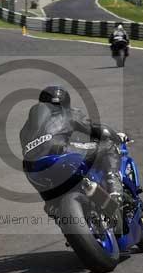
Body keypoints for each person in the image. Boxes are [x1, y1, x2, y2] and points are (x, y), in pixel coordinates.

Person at [19, 86, 125, 223]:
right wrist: (115, 135)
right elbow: (97, 129)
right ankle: (114, 188)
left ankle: (54, 208)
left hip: (33, 169)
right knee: (109, 147)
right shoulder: (67, 113)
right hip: (62, 154)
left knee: (51, 201)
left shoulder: (25, 129)